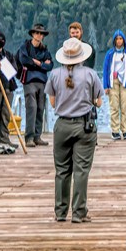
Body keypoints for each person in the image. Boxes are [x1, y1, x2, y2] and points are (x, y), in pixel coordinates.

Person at [45, 38, 103, 223]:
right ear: (81, 57)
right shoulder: (90, 74)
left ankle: (60, 212)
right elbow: (99, 102)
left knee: (61, 170)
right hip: (83, 125)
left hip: (62, 125)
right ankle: (78, 212)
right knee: (81, 170)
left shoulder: (54, 75)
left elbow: (52, 102)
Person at [17, 23, 53, 148]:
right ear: (33, 34)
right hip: (29, 81)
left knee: (40, 108)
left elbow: (50, 65)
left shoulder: (45, 49)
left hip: (42, 82)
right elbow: (24, 60)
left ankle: (37, 136)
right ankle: (29, 137)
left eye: (41, 33)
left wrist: (37, 63)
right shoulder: (25, 46)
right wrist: (41, 63)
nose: (39, 35)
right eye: (37, 33)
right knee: (31, 107)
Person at [102, 29, 126, 140]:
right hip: (113, 82)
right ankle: (115, 130)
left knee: (125, 107)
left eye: (120, 39)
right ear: (114, 41)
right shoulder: (110, 54)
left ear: (124, 40)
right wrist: (105, 86)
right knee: (114, 106)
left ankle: (125, 130)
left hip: (125, 81)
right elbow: (106, 70)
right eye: (117, 39)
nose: (119, 41)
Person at [0, 30, 19, 153]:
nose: (0, 42)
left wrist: (4, 67)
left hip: (8, 88)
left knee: (6, 115)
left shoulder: (9, 55)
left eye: (2, 40)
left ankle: (5, 139)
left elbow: (14, 69)